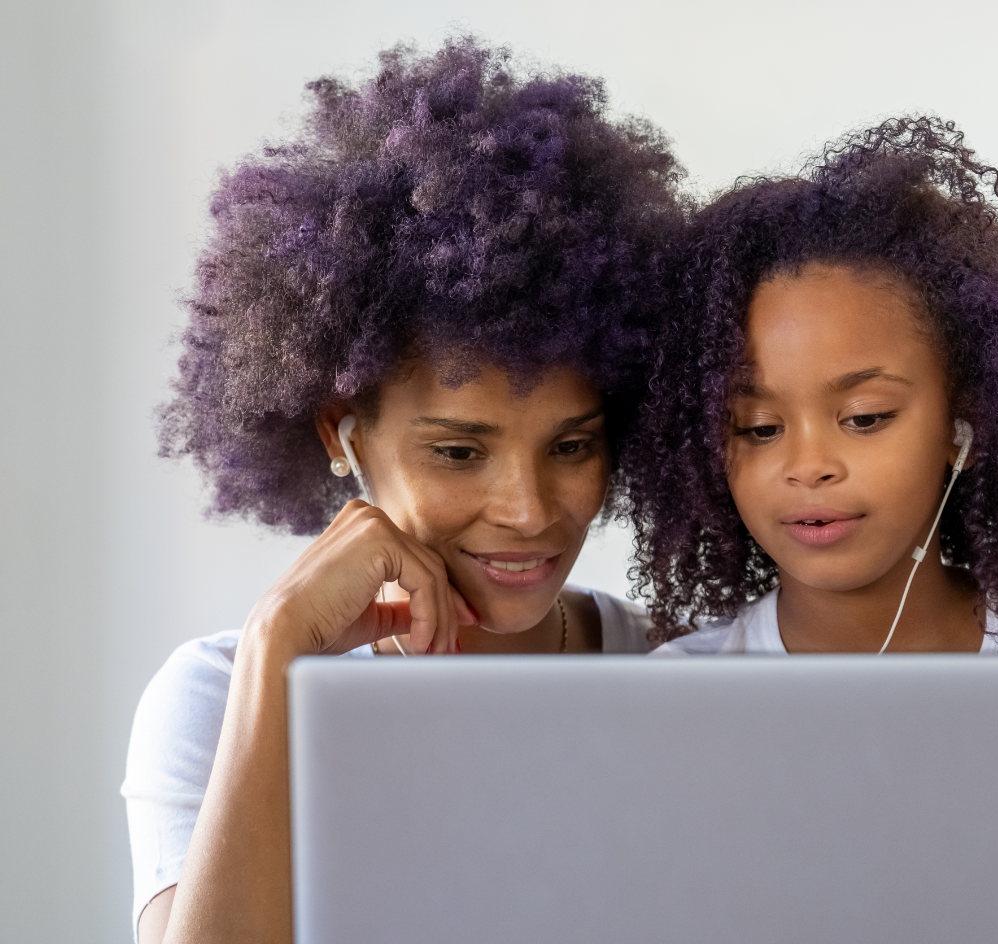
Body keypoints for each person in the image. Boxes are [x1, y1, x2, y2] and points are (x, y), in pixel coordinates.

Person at [122, 35, 684, 943]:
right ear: (339, 433)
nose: (528, 510)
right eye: (459, 452)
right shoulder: (221, 698)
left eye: (572, 445)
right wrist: (279, 649)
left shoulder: (682, 674)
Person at [624, 117, 998, 656]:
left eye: (864, 417)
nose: (809, 466)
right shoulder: (680, 686)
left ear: (963, 429)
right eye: (760, 428)